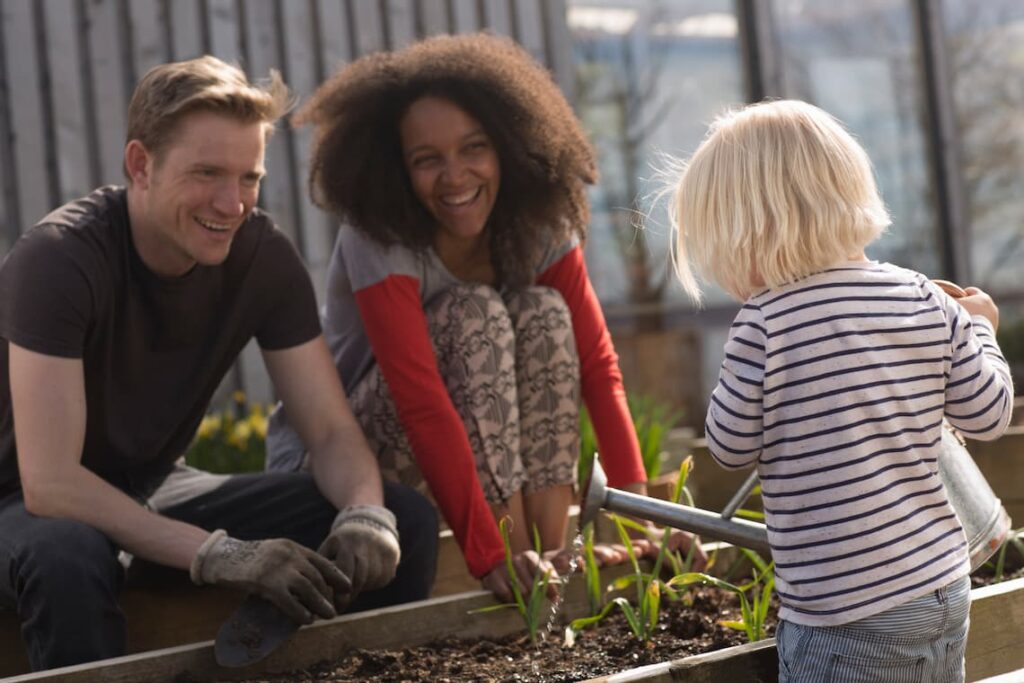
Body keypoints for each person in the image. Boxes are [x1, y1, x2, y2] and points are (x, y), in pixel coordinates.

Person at [0, 56, 438, 672]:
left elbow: (332, 431)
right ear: (140, 165)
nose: (232, 204)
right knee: (67, 554)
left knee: (406, 521)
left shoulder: (262, 257)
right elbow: (50, 484)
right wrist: (221, 554)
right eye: (206, 173)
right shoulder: (58, 261)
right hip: (18, 503)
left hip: (153, 488)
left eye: (249, 178)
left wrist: (364, 512)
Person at [266, 33, 705, 601]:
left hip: (456, 464)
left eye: (474, 148)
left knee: (545, 313)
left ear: (507, 145)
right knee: (473, 313)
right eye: (427, 160)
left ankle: (550, 556)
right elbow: (421, 401)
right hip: (339, 466)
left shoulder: (537, 223)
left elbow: (597, 365)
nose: (455, 176)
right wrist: (490, 552)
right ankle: (520, 555)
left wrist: (640, 520)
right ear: (397, 169)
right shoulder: (381, 234)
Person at [666, 99, 1014, 681]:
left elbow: (726, 446)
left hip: (846, 619)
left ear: (748, 234)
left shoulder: (764, 323)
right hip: (942, 589)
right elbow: (990, 415)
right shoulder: (921, 295)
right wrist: (982, 327)